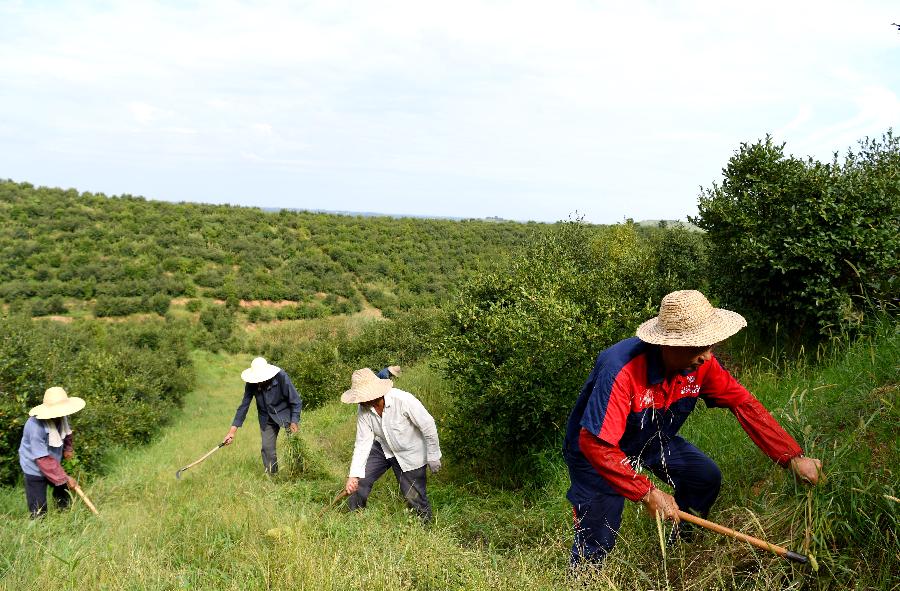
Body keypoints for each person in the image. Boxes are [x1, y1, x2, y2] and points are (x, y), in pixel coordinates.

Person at [563, 290, 823, 566]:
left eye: (709, 346)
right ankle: (585, 575)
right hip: (598, 450)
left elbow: (743, 403)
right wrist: (646, 492)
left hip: (651, 438)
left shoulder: (701, 364)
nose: (706, 357)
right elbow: (595, 444)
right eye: (697, 347)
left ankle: (680, 549)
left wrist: (792, 457)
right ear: (667, 345)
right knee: (600, 532)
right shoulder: (621, 369)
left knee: (704, 478)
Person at [342, 367, 442, 521]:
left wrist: (433, 455)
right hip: (383, 448)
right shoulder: (364, 408)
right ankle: (354, 519)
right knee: (360, 480)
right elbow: (362, 442)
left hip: (410, 453)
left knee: (413, 496)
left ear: (374, 393)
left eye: (362, 397)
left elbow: (428, 425)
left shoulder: (403, 400)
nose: (360, 401)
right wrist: (353, 475)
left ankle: (424, 526)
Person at [223, 356, 302, 474]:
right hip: (266, 417)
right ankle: (272, 477)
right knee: (267, 448)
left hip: (286, 413)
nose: (259, 382)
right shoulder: (251, 382)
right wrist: (232, 432)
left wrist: (294, 421)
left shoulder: (281, 376)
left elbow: (295, 400)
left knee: (295, 443)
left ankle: (299, 471)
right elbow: (244, 406)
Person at [18, 387, 85, 518]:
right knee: (39, 508)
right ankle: (39, 527)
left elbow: (67, 433)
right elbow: (42, 459)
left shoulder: (61, 417)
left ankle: (65, 518)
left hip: (53, 462)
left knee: (63, 494)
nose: (62, 414)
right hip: (34, 467)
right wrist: (65, 478)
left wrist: (68, 448)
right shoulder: (35, 427)